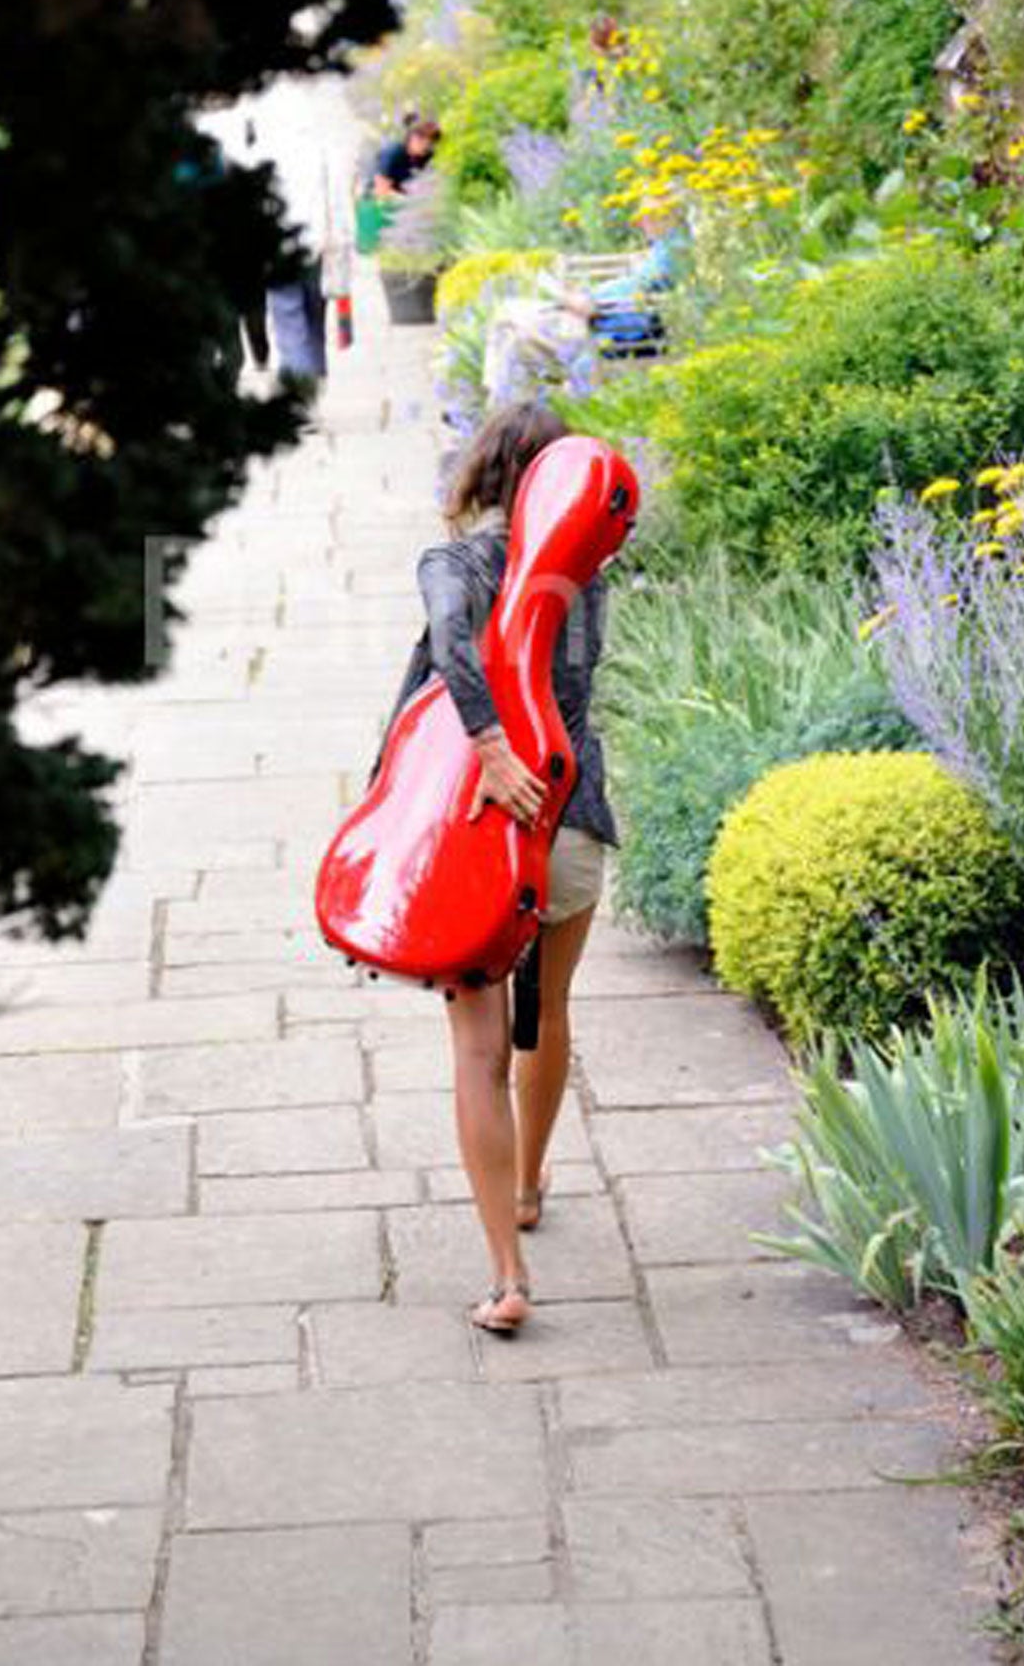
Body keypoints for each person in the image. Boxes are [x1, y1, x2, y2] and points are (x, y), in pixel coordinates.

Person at [381, 403, 618, 1335]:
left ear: (485, 471)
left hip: (481, 827)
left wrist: (485, 745)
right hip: (571, 818)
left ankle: (508, 1277)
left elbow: (450, 644)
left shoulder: (459, 563)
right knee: (549, 1012)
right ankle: (527, 1183)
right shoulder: (585, 576)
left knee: (476, 1055)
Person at [372, 116, 440, 200]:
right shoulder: (393, 153)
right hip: (371, 198)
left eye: (431, 141)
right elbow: (380, 190)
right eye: (421, 138)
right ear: (411, 137)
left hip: (400, 193)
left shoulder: (425, 156)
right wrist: (409, 199)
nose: (426, 145)